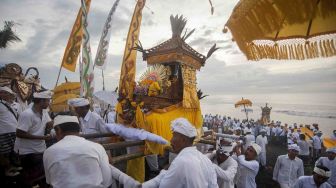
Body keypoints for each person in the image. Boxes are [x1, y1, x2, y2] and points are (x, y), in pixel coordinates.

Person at [142, 117, 218, 188]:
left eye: (174, 136)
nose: (171, 140)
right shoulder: (205, 159)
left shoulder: (181, 162)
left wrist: (164, 172)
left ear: (183, 140)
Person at [43, 115, 113, 188]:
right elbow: (107, 181)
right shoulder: (97, 147)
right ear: (79, 129)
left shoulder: (49, 152)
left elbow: (50, 181)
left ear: (58, 130)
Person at [14, 90, 53, 187]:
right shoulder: (27, 114)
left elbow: (48, 124)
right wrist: (42, 137)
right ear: (41, 101)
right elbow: (19, 133)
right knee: (30, 177)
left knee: (41, 175)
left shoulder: (44, 112)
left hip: (40, 148)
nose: (49, 103)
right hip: (27, 151)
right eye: (48, 101)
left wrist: (54, 122)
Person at [0, 86, 20, 177]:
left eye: (5, 92)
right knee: (4, 153)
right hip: (3, 133)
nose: (3, 94)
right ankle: (7, 170)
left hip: (13, 131)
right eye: (1, 92)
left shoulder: (12, 105)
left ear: (10, 95)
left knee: (13, 151)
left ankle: (12, 166)